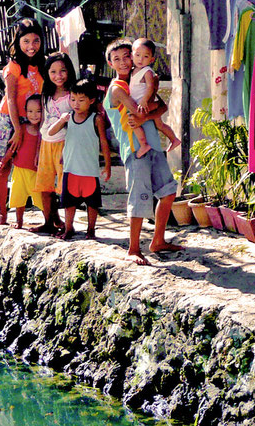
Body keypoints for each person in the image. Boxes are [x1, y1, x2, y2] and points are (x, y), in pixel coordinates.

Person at [102, 38, 183, 265]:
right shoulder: (117, 88)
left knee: (167, 192)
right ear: (110, 64)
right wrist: (149, 111)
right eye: (116, 59)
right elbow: (140, 112)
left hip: (154, 145)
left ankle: (158, 240)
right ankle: (133, 248)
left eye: (127, 56)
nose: (124, 62)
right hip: (135, 148)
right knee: (139, 196)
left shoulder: (139, 82)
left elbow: (163, 107)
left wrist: (148, 111)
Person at [0, 19, 45, 225]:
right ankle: (2, 214)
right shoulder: (14, 66)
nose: (31, 46)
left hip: (33, 119)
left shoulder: (42, 65)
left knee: (32, 164)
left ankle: (47, 214)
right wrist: (17, 130)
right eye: (26, 40)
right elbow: (10, 98)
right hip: (9, 120)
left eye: (36, 41)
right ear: (17, 41)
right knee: (4, 166)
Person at [48, 79, 111, 240]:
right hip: (70, 168)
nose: (76, 103)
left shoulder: (96, 119)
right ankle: (69, 229)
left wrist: (108, 165)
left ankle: (91, 230)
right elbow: (50, 132)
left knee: (92, 203)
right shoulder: (68, 117)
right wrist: (61, 120)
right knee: (69, 203)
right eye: (73, 99)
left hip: (89, 169)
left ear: (91, 101)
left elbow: (104, 142)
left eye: (81, 100)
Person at [32, 52, 77, 234]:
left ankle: (69, 225)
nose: (58, 76)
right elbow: (43, 121)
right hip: (46, 143)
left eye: (62, 71)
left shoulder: (73, 94)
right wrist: (37, 150)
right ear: (47, 73)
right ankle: (48, 221)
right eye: (53, 72)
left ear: (69, 71)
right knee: (45, 185)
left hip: (65, 144)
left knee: (64, 187)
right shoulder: (46, 94)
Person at [0, 95, 44, 229]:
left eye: (38, 111)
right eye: (30, 111)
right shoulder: (22, 128)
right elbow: (13, 148)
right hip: (19, 170)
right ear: (25, 111)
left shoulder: (43, 131)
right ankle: (19, 221)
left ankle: (48, 221)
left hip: (35, 171)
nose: (34, 115)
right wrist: (4, 161)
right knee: (18, 197)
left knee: (41, 198)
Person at [130, 38, 181, 155]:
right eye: (138, 55)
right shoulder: (133, 71)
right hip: (144, 101)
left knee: (132, 119)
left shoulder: (147, 72)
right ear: (132, 56)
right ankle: (174, 139)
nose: (141, 59)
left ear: (152, 59)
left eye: (145, 57)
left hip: (147, 102)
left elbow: (150, 87)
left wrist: (144, 100)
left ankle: (144, 144)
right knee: (159, 124)